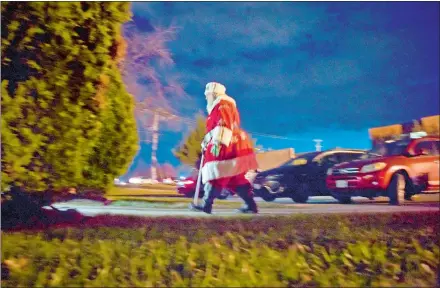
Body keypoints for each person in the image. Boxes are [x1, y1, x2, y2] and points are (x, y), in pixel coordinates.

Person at [190, 82, 259, 214]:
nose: (206, 98)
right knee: (235, 178)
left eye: (208, 95)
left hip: (226, 146)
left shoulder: (222, 104)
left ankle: (206, 204)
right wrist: (206, 141)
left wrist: (216, 145)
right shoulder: (222, 105)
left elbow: (223, 125)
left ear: (214, 94)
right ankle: (251, 205)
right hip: (234, 144)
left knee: (216, 172)